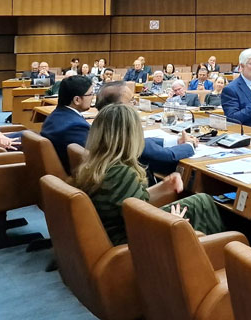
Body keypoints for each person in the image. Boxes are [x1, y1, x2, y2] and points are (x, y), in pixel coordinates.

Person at [73, 103, 224, 245]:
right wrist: (172, 221)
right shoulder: (121, 174)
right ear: (132, 137)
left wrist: (163, 187)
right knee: (203, 205)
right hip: (132, 241)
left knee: (201, 200)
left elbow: (134, 203)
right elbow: (139, 219)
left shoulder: (96, 165)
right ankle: (217, 255)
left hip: (120, 230)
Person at [39, 74, 96, 172]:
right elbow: (91, 159)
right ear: (77, 100)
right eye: (90, 94)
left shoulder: (55, 115)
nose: (93, 97)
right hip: (74, 178)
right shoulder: (76, 127)